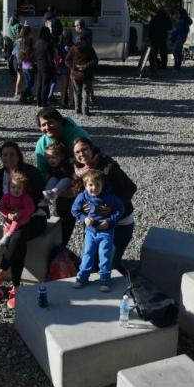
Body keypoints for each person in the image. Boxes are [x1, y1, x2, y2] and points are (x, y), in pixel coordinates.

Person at [0, 141, 47, 309]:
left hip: (35, 217)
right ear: (1, 158)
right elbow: (1, 203)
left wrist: (23, 213)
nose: (8, 158)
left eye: (12, 154)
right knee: (16, 240)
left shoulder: (31, 173)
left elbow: (41, 201)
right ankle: (16, 287)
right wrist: (7, 215)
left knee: (16, 238)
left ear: (19, 156)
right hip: (13, 221)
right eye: (5, 155)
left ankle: (0, 274)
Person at [72, 137, 137, 273]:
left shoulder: (108, 166)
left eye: (84, 149)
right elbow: (79, 199)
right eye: (77, 152)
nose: (81, 154)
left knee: (110, 263)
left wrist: (112, 208)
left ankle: (124, 285)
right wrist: (83, 210)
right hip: (94, 222)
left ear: (92, 148)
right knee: (90, 261)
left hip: (120, 222)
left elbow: (131, 188)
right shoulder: (78, 171)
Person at [34, 107, 90, 245]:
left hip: (85, 187)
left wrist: (76, 190)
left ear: (60, 121)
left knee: (90, 224)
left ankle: (91, 259)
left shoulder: (78, 136)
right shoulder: (42, 144)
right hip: (61, 188)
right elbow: (43, 171)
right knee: (63, 221)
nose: (47, 127)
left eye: (50, 122)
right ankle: (60, 255)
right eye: (43, 125)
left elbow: (91, 165)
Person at [71, 169, 124, 292]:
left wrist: (109, 221)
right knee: (88, 253)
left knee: (104, 254)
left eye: (97, 185)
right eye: (90, 185)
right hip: (90, 231)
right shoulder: (82, 196)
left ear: (103, 185)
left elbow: (120, 209)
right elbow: (75, 210)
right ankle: (82, 277)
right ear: (85, 185)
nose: (94, 188)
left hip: (106, 232)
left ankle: (105, 280)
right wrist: (84, 218)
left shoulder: (109, 197)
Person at [0, 171, 35, 247]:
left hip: (22, 217)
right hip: (10, 215)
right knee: (6, 225)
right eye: (13, 187)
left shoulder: (25, 197)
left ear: (24, 189)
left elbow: (31, 208)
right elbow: (1, 207)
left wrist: (21, 213)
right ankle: (5, 237)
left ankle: (8, 235)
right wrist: (7, 214)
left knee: (16, 221)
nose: (16, 190)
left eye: (19, 187)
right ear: (9, 186)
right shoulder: (7, 197)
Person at [65, 35, 99, 116]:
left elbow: (66, 60)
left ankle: (77, 109)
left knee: (77, 92)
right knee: (86, 92)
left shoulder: (73, 48)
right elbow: (95, 60)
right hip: (87, 74)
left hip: (75, 74)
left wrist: (75, 66)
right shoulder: (89, 48)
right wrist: (85, 66)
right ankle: (85, 110)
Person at [41, 142, 74, 207]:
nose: (50, 160)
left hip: (68, 179)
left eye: (53, 157)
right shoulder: (53, 165)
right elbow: (52, 174)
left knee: (65, 180)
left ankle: (53, 193)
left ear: (61, 156)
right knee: (52, 179)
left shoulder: (66, 163)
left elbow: (70, 171)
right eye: (48, 158)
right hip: (57, 177)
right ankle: (46, 197)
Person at [34, 24, 57, 107]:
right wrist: (53, 67)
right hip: (46, 66)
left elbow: (35, 55)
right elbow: (50, 58)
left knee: (39, 84)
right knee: (45, 85)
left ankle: (38, 101)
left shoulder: (37, 43)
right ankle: (44, 102)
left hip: (39, 64)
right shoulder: (48, 44)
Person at [148, 6, 172, 72]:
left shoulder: (154, 18)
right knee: (163, 52)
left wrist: (150, 37)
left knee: (154, 52)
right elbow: (170, 27)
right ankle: (164, 65)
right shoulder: (167, 18)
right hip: (163, 37)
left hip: (154, 37)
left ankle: (155, 64)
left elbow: (150, 28)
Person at [16, 26, 35, 103]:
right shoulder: (29, 41)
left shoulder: (19, 41)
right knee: (31, 82)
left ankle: (29, 96)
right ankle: (23, 95)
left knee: (27, 81)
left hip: (23, 64)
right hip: (30, 64)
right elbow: (33, 53)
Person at [56, 29, 74, 108]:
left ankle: (63, 101)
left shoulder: (60, 46)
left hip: (63, 67)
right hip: (71, 67)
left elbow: (58, 56)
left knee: (64, 85)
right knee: (71, 86)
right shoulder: (73, 46)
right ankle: (71, 101)